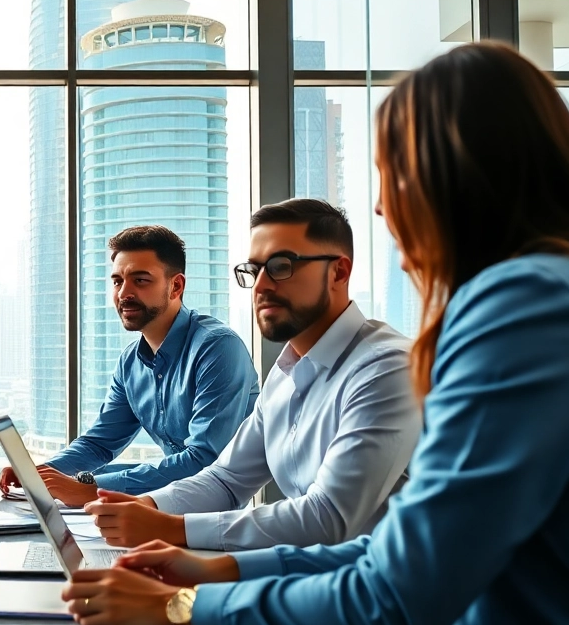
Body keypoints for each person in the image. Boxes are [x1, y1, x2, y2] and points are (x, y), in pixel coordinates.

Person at [59, 42, 569, 625]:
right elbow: (397, 551)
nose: (381, 208)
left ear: (456, 174)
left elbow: (392, 597)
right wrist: (219, 569)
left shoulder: (528, 312)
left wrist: (183, 607)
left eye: (391, 174)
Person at [84, 200, 421, 551]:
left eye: (280, 266)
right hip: (306, 577)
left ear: (338, 272)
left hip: (379, 596)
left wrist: (172, 529)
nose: (260, 285)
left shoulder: (385, 368)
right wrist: (148, 506)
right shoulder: (286, 374)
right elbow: (227, 480)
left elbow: (328, 517)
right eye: (253, 270)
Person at [0, 226, 259, 504]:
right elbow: (99, 443)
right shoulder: (130, 362)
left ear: (176, 286)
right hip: (164, 508)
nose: (124, 293)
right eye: (117, 281)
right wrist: (40, 473)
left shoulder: (218, 347)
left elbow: (204, 459)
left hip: (218, 519)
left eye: (141, 280)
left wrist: (91, 487)